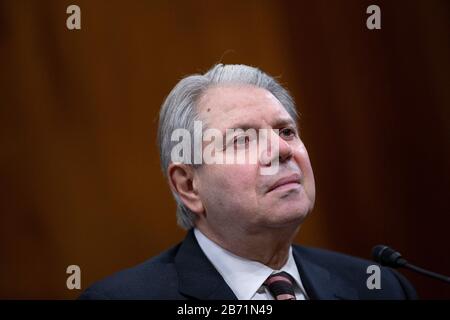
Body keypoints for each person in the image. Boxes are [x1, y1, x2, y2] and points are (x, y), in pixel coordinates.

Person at [79, 64, 417, 300]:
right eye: (242, 140)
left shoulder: (381, 288)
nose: (282, 150)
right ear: (189, 187)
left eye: (286, 131)